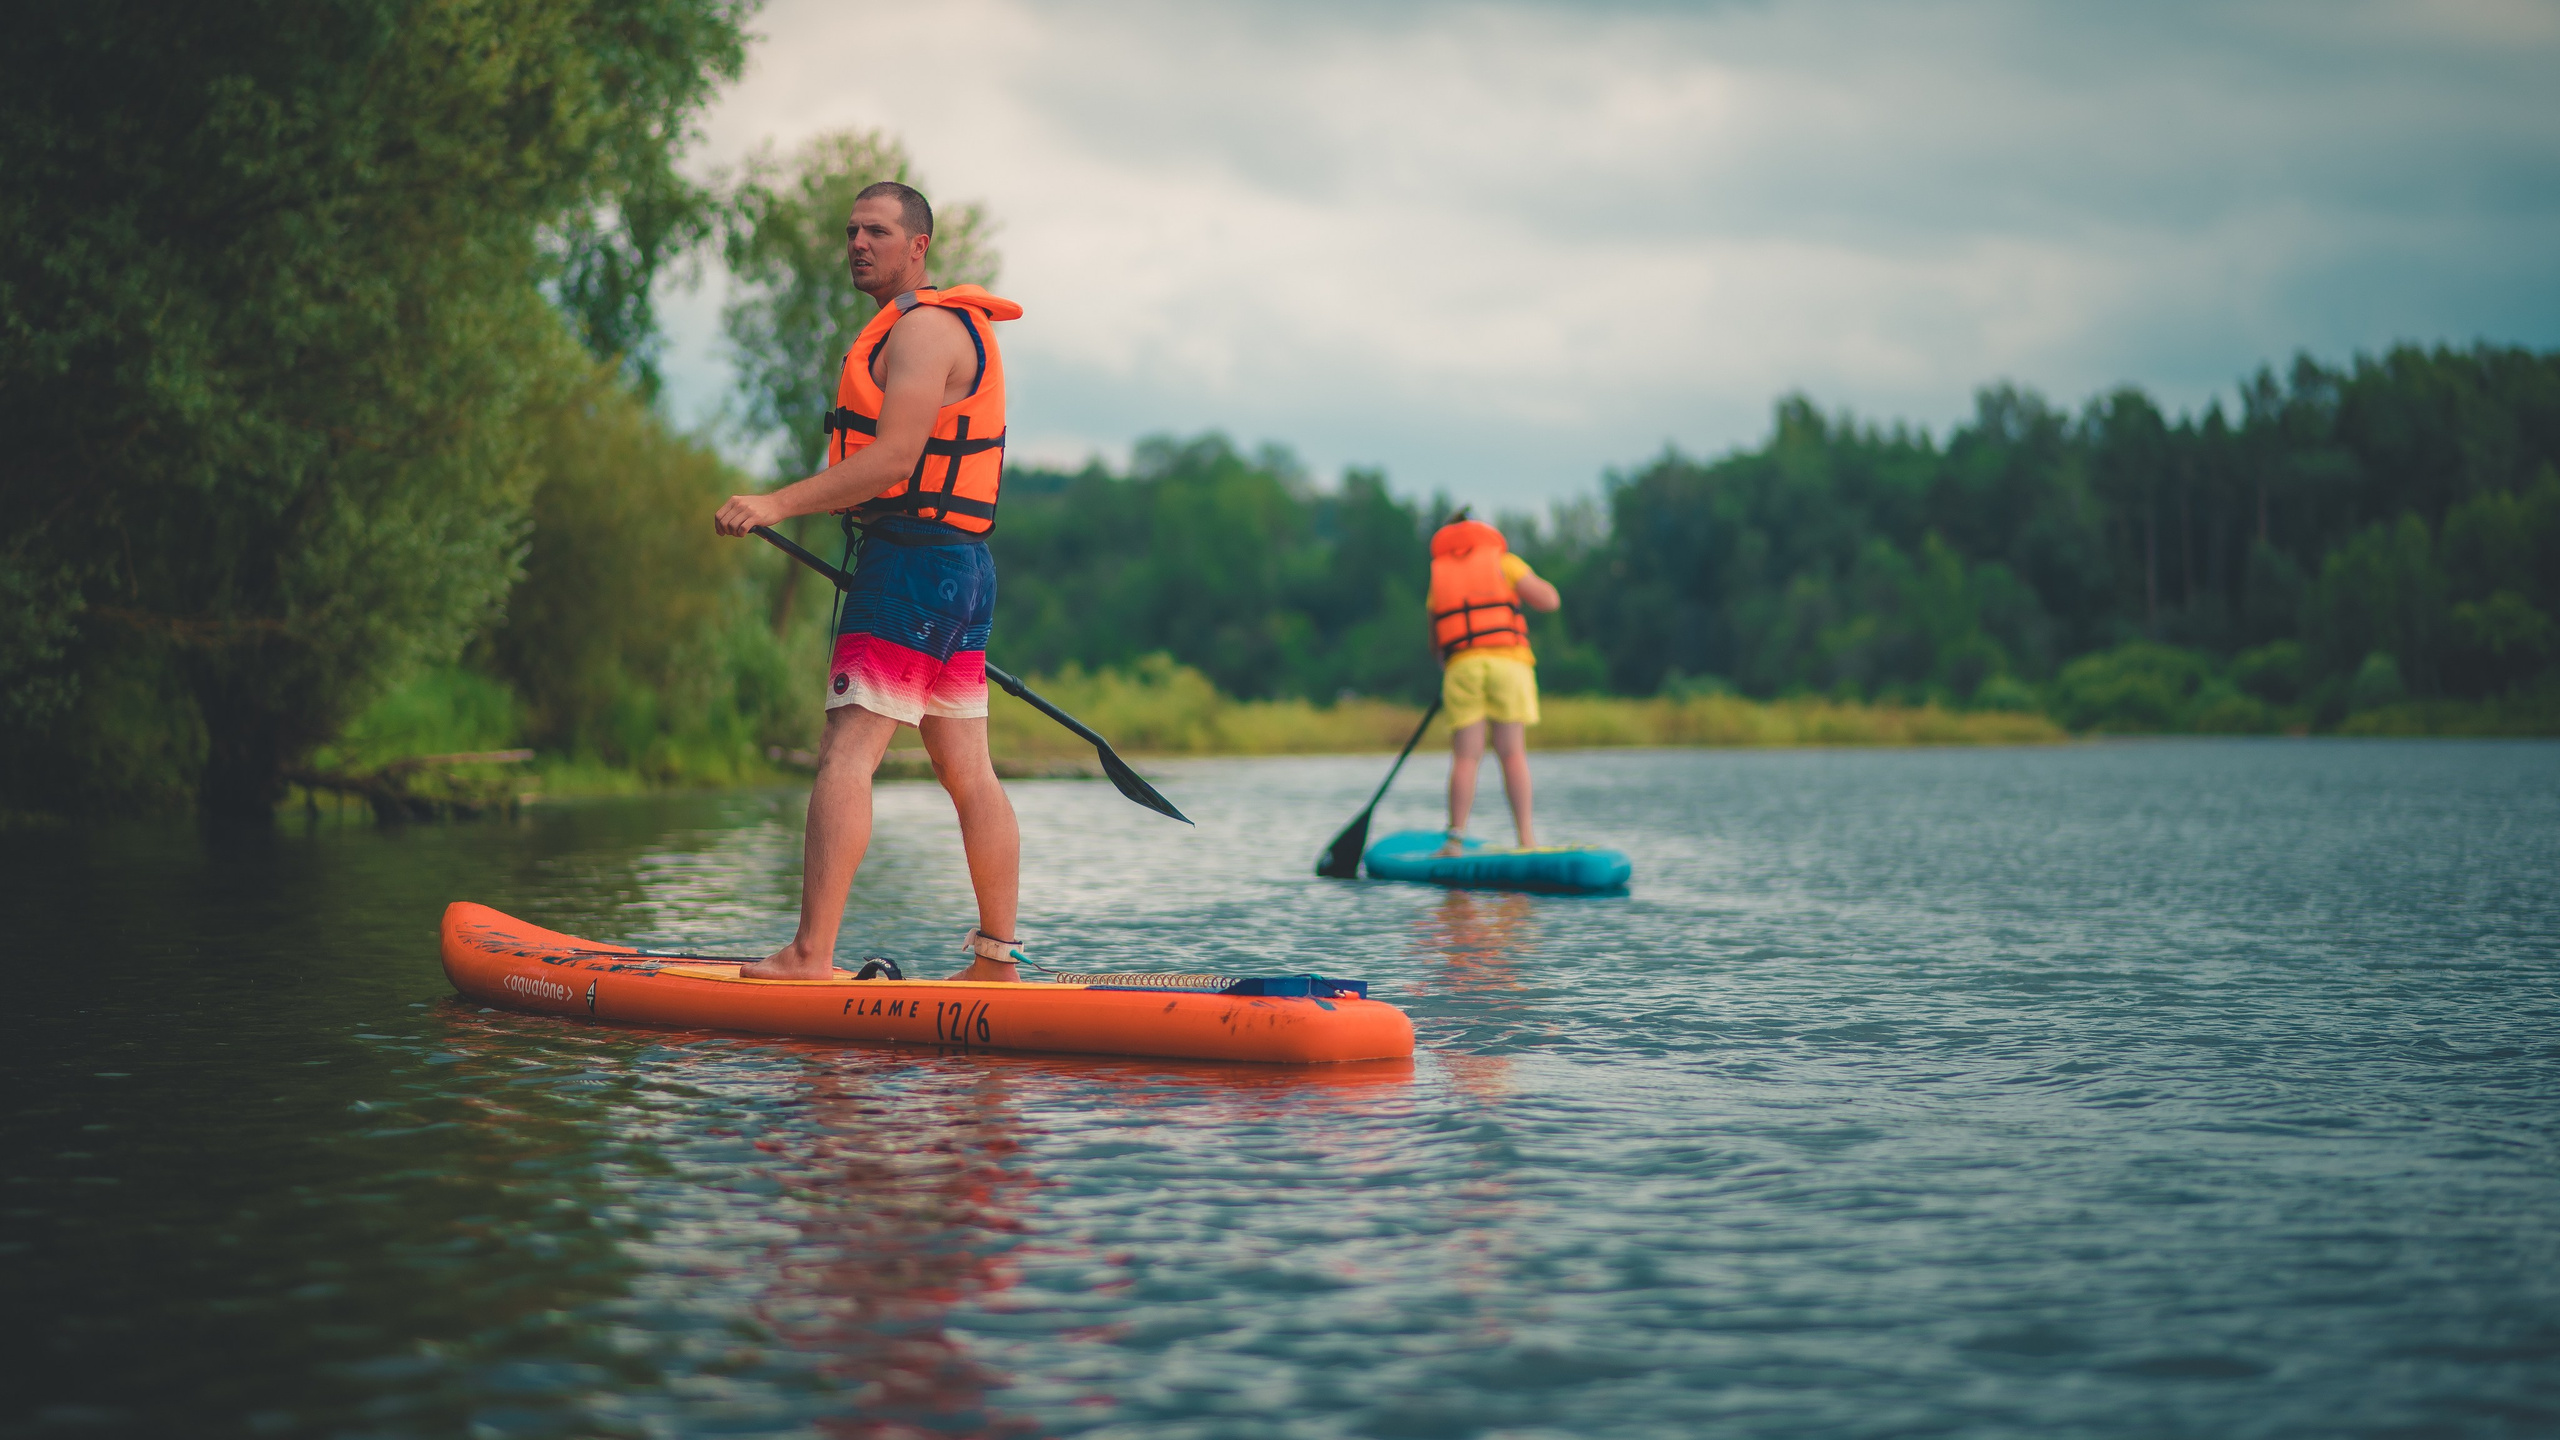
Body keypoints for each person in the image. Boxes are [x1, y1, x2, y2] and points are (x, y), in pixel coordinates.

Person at [713, 181, 1025, 982]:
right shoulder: (940, 328)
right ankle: (997, 962)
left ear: (918, 247)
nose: (858, 243)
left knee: (846, 754)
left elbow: (891, 461)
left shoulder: (924, 331)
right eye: (851, 230)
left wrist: (775, 504)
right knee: (969, 769)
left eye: (878, 231)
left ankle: (810, 956)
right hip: (961, 568)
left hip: (915, 564)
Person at [1427, 512, 1561, 854]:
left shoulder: (1440, 574)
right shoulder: (1505, 562)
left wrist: (1447, 666)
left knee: (1466, 758)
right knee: (1512, 753)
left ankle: (1454, 839)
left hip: (1463, 667)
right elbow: (1549, 601)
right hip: (1508, 663)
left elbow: (1436, 640)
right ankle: (1526, 839)